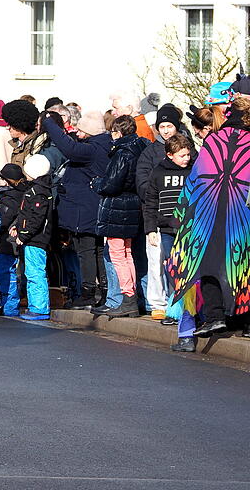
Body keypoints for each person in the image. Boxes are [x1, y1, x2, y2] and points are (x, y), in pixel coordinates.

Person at [168, 96, 250, 337]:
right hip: (241, 213)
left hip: (208, 214)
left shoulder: (214, 140)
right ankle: (245, 323)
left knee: (207, 263)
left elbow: (196, 178)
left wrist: (180, 214)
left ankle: (214, 317)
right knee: (242, 262)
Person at [43, 110, 111, 309]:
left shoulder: (92, 149)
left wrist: (50, 124)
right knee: (97, 250)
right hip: (91, 206)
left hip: (85, 209)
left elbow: (68, 148)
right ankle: (104, 290)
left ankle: (88, 291)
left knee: (87, 250)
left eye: (81, 131)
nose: (78, 134)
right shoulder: (102, 144)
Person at [90, 115, 148, 318]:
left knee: (117, 255)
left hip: (118, 206)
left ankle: (128, 297)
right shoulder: (141, 147)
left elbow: (112, 184)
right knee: (127, 253)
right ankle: (132, 298)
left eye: (112, 132)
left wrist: (97, 183)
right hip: (134, 205)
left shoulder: (122, 153)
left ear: (118, 132)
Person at [142, 133, 192, 322]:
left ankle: (185, 308)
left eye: (188, 155)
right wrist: (150, 229)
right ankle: (172, 307)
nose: (186, 159)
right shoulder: (158, 172)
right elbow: (151, 202)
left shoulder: (192, 172)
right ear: (170, 155)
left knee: (185, 269)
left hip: (188, 229)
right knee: (170, 269)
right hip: (166, 229)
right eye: (182, 155)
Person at [13, 154, 54, 320]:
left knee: (35, 273)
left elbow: (36, 218)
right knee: (31, 272)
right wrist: (18, 228)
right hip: (32, 238)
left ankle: (39, 307)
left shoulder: (38, 192)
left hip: (36, 239)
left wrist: (24, 235)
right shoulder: (36, 190)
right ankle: (35, 305)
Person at [0, 163, 26, 316]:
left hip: (7, 241)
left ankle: (9, 305)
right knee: (8, 271)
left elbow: (3, 220)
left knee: (3, 271)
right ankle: (7, 303)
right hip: (12, 240)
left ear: (8, 181)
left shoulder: (10, 198)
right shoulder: (23, 193)